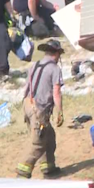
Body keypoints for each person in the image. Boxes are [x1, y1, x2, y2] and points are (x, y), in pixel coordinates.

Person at [16, 39, 65, 179]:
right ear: (56, 53)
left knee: (49, 136)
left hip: (27, 105)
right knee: (38, 142)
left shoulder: (34, 65)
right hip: (39, 109)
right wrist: (59, 112)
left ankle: (48, 167)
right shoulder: (55, 69)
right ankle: (23, 171)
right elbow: (56, 92)